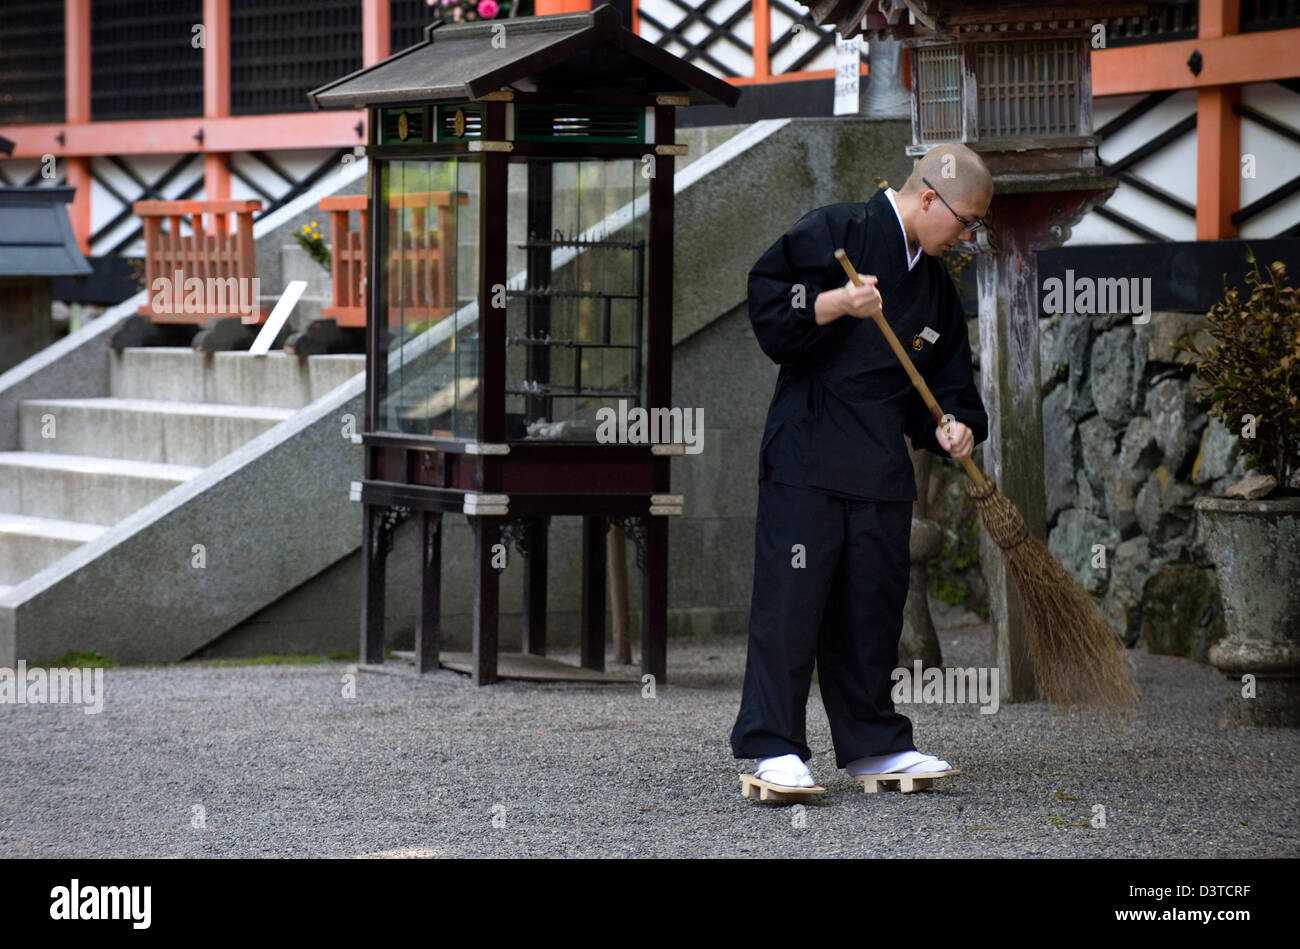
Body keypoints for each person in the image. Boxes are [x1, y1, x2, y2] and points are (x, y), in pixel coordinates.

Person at [730, 143, 993, 789]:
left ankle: (874, 741)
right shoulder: (839, 230)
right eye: (965, 221)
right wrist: (834, 304)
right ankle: (775, 745)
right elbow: (767, 300)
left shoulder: (933, 288)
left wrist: (954, 427)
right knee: (791, 601)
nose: (966, 236)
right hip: (808, 451)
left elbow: (948, 384)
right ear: (928, 196)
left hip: (878, 463)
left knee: (871, 606)